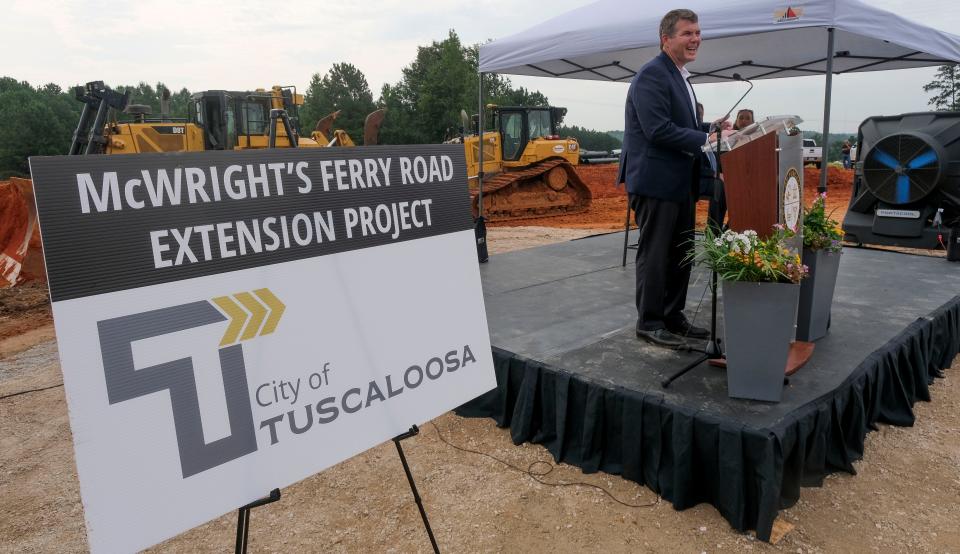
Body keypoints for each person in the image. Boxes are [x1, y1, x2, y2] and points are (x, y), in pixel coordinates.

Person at [618, 9, 730, 348]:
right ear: (666, 39)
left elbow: (678, 124)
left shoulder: (679, 75)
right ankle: (650, 321)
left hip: (679, 182)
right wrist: (702, 140)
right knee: (656, 253)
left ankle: (673, 314)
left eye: (697, 32)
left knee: (681, 251)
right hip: (655, 182)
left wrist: (710, 129)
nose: (695, 39)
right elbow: (657, 129)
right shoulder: (652, 75)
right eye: (687, 33)